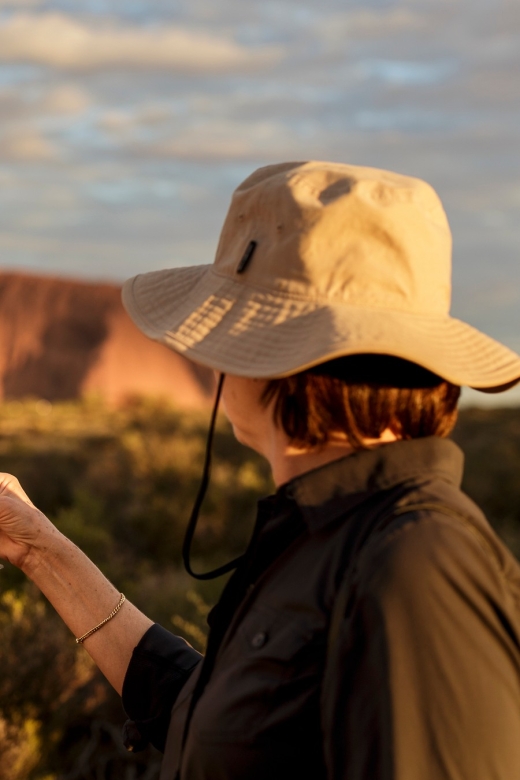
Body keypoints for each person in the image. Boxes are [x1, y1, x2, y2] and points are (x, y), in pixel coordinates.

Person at [1, 161, 520, 780]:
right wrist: (39, 547)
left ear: (284, 358)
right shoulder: (334, 529)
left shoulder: (418, 564)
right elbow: (222, 727)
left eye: (230, 324)